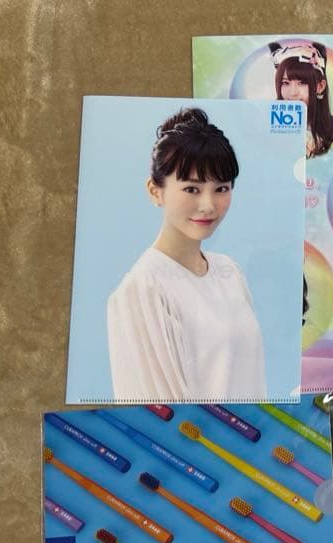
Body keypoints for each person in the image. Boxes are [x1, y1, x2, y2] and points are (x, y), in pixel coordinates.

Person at [107, 107, 266, 401]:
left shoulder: (229, 272)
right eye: (192, 189)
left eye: (221, 188)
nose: (208, 205)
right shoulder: (143, 289)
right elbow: (160, 411)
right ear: (155, 191)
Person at [269, 41, 333, 158]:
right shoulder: (267, 122)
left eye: (302, 83)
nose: (293, 93)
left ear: (320, 86)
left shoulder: (330, 126)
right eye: (285, 83)